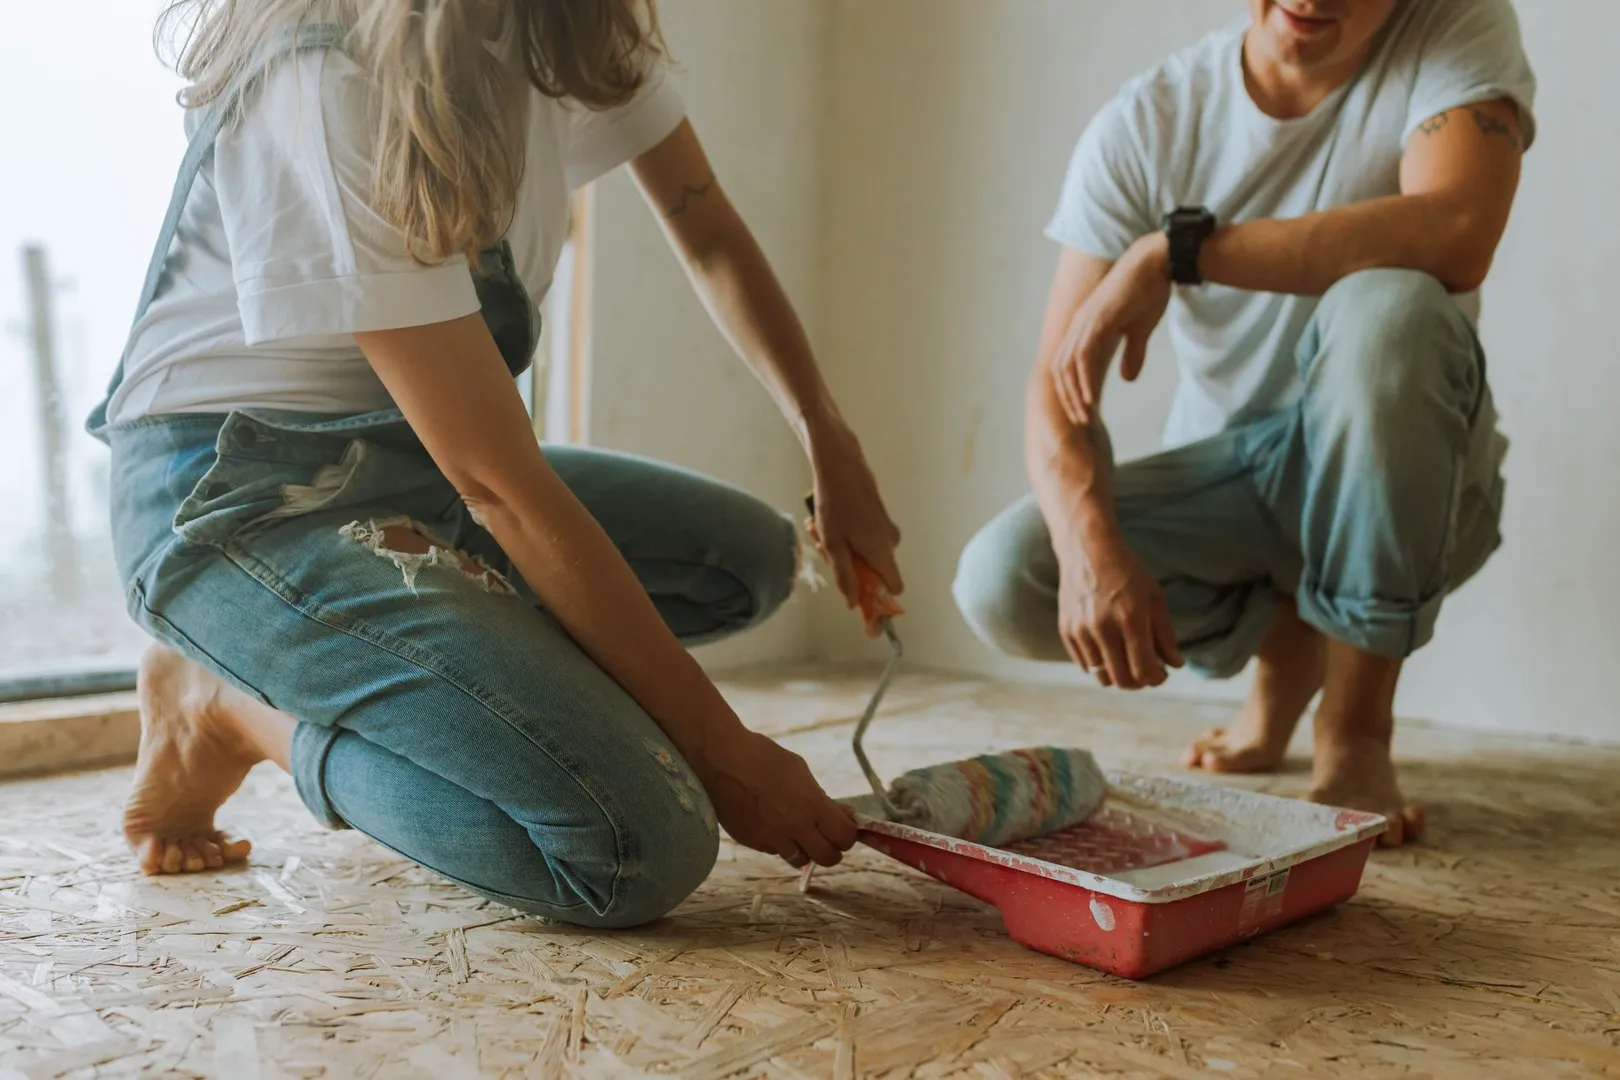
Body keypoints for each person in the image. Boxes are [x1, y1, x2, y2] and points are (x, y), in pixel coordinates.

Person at [91, 0, 903, 928]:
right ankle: (231, 706)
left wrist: (829, 441)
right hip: (240, 504)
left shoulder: (568, 22)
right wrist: (717, 748)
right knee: (634, 846)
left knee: (744, 561)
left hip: (415, 462)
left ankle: (459, 683)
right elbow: (496, 482)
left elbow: (708, 228)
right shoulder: (326, 76)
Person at [953, 0, 1535, 846]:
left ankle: (1355, 728)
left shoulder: (1456, 27)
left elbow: (1456, 227)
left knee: (1391, 307)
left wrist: (1179, 250)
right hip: (1238, 479)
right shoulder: (1149, 120)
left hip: (1424, 486)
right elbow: (1058, 380)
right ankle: (1284, 664)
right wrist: (1087, 547)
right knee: (1005, 580)